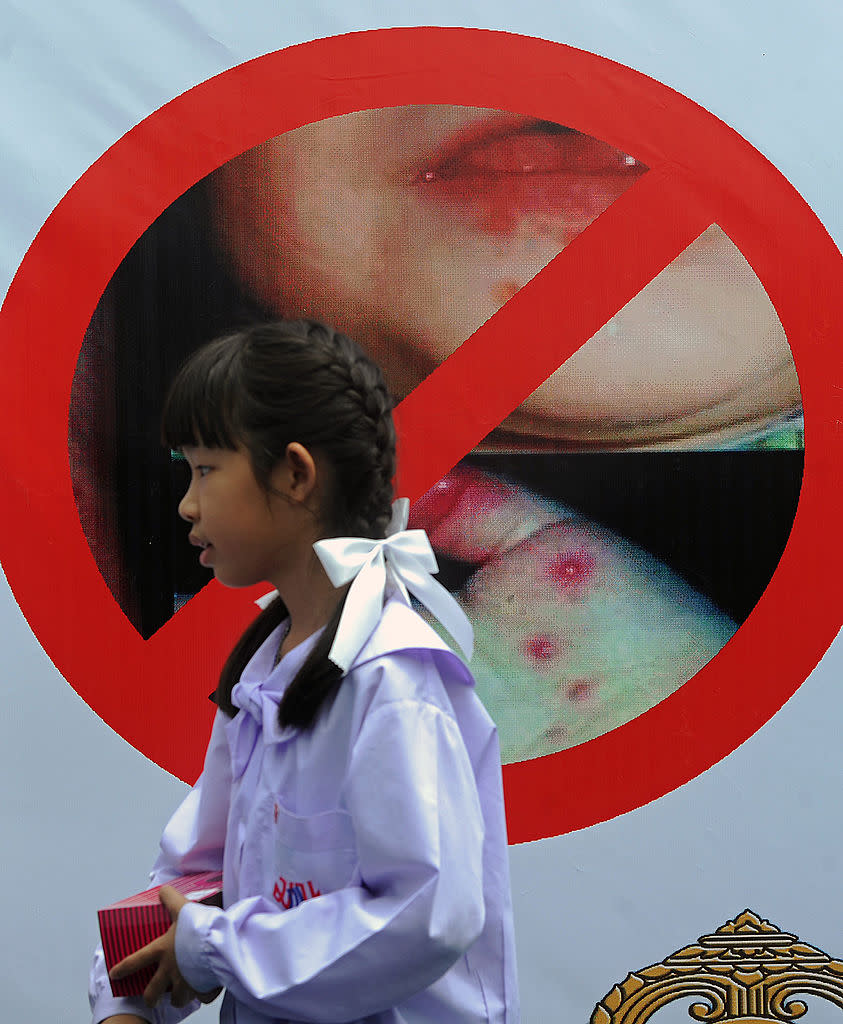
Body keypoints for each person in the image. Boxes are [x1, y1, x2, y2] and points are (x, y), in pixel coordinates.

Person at [88, 319, 519, 1023]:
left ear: (293, 473)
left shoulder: (393, 680)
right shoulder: (268, 666)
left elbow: (430, 913)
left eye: (203, 469)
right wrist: (128, 1001)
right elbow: (196, 875)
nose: (186, 504)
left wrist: (214, 951)